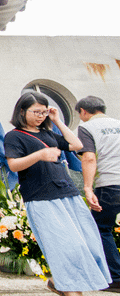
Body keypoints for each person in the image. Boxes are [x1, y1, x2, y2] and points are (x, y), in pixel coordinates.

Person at [4, 91, 110, 296]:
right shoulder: (14, 136)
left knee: (87, 243)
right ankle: (70, 289)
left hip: (67, 193)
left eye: (44, 111)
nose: (40, 115)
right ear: (22, 111)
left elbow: (77, 145)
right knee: (65, 246)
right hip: (42, 198)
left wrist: (57, 121)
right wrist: (40, 155)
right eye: (36, 111)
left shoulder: (48, 133)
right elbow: (14, 165)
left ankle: (58, 281)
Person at [75, 96, 120, 292]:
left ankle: (116, 278)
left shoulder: (87, 128)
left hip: (110, 184)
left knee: (100, 228)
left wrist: (87, 187)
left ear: (83, 111)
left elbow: (89, 158)